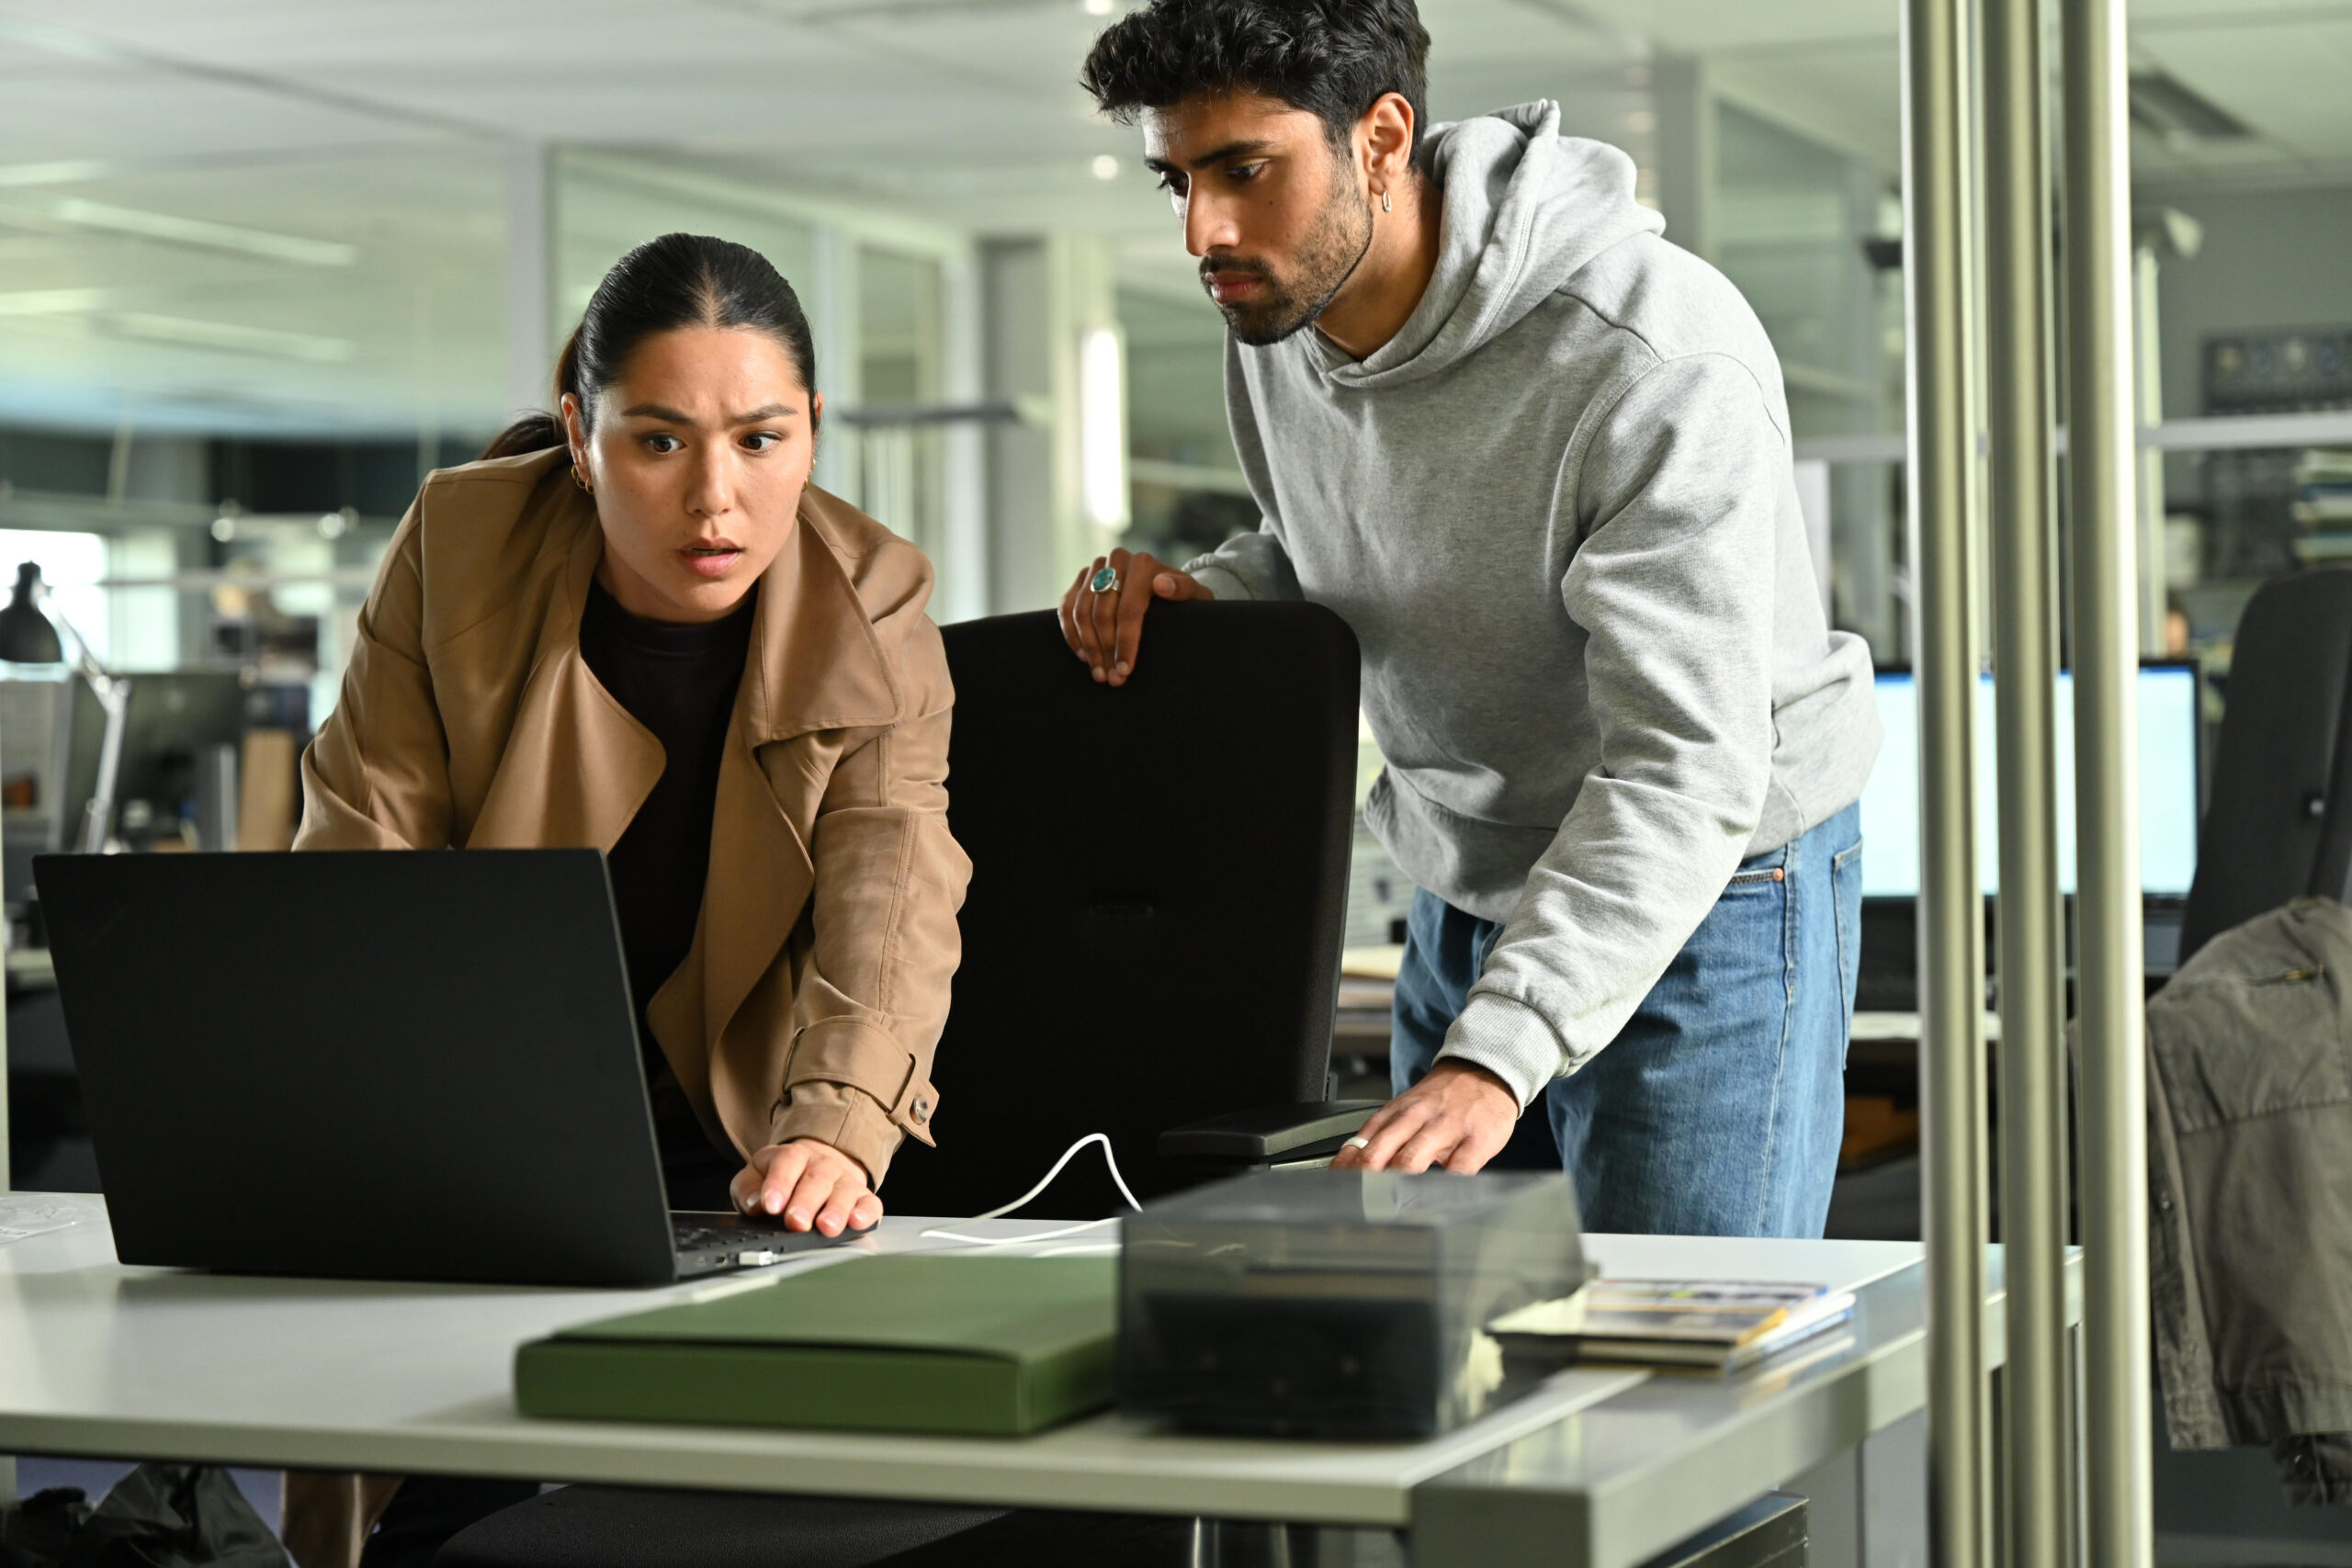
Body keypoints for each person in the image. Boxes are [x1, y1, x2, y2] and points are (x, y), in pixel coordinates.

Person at [1069, 0, 1882, 1238]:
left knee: (1678, 1364)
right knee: (1453, 1350)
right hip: (1466, 870)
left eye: (1245, 170)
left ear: (1381, 136)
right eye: (1175, 179)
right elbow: (1342, 541)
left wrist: (1497, 1051)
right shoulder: (1278, 314)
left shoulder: (1650, 357)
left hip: (1710, 875)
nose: (1205, 230)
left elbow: (1688, 758)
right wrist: (1217, 595)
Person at [282, 232, 968, 1568]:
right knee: (427, 1510)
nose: (718, 499)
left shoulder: (877, 599)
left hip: (748, 1152)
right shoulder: (459, 543)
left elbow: (896, 894)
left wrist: (837, 1124)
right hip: (483, 1131)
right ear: (578, 431)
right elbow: (363, 859)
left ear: (815, 433)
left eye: (763, 440)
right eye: (658, 442)